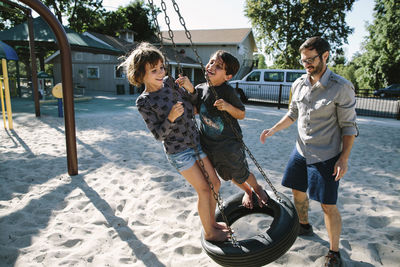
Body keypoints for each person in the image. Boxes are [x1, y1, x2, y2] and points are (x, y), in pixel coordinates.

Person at [259, 36, 357, 267]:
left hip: (327, 154)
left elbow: (349, 126)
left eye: (311, 59)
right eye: (303, 60)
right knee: (297, 190)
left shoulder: (341, 88)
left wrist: (344, 158)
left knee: (327, 204)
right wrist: (274, 128)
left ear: (325, 56)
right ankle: (304, 224)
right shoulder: (299, 84)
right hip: (301, 151)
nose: (306, 64)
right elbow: (293, 113)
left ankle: (334, 252)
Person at [121, 42, 229, 242]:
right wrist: (170, 118)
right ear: (140, 74)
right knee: (204, 189)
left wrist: (191, 90)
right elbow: (158, 135)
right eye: (154, 70)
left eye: (162, 67)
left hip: (195, 143)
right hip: (179, 152)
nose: (161, 72)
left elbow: (194, 103)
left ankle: (211, 222)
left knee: (215, 183)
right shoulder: (144, 101)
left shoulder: (170, 83)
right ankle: (209, 231)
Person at [182, 50, 269, 209]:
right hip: (208, 144)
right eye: (211, 61)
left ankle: (256, 188)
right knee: (227, 176)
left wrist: (228, 107)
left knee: (239, 172)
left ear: (228, 76)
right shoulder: (200, 88)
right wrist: (189, 90)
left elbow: (241, 113)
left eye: (219, 66)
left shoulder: (227, 91)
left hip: (229, 144)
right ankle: (247, 191)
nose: (212, 66)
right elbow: (195, 108)